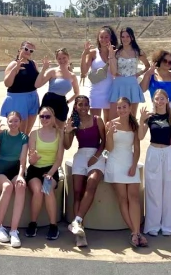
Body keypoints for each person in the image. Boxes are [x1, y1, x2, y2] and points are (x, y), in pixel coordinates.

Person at [140, 49, 171, 182]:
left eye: (170, 62)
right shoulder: (151, 75)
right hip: (157, 108)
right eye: (165, 61)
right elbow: (142, 89)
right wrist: (147, 74)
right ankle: (161, 170)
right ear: (159, 61)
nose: (167, 63)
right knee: (158, 139)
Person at [64, 95, 106, 247]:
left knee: (92, 181)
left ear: (89, 106)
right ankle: (79, 234)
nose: (83, 107)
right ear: (75, 106)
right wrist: (67, 132)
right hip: (80, 155)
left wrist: (97, 156)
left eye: (85, 104)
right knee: (77, 192)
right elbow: (67, 146)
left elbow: (105, 142)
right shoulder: (73, 122)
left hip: (97, 154)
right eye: (80, 104)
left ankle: (77, 220)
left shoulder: (97, 119)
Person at [138, 90, 171, 238]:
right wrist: (141, 120)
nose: (160, 101)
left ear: (167, 100)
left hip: (168, 153)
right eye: (157, 99)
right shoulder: (150, 118)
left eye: (162, 98)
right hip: (153, 153)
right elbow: (140, 136)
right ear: (154, 101)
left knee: (169, 190)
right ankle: (153, 225)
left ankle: (168, 225)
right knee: (153, 189)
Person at [104, 97, 146, 247]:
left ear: (129, 108)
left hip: (129, 162)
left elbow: (137, 148)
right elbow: (108, 149)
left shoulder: (134, 125)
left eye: (124, 107)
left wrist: (134, 165)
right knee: (123, 199)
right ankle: (136, 233)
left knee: (133, 197)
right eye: (119, 107)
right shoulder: (110, 124)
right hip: (115, 163)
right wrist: (109, 134)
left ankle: (136, 233)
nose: (121, 110)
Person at [0, 112, 29, 248]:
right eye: (11, 121)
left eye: (16, 121)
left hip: (15, 169)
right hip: (0, 168)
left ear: (20, 122)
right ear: (7, 121)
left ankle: (13, 230)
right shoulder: (2, 135)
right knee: (7, 186)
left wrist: (21, 175)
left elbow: (23, 161)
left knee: (20, 186)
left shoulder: (24, 138)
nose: (13, 124)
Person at [25, 107, 64, 240]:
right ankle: (33, 223)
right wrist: (33, 158)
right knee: (37, 190)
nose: (44, 119)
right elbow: (30, 160)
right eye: (42, 116)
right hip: (35, 169)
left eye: (47, 116)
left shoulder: (59, 133)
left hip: (51, 169)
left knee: (47, 188)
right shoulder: (34, 134)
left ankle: (53, 226)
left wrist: (50, 174)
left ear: (53, 117)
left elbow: (59, 159)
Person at [108, 27, 150, 118]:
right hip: (118, 84)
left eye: (127, 36)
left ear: (132, 37)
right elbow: (113, 72)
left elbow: (147, 66)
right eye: (123, 37)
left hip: (132, 85)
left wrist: (138, 73)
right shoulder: (116, 53)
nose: (125, 39)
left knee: (132, 117)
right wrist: (111, 56)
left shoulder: (138, 52)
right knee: (113, 117)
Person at [80, 26, 118, 124]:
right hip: (95, 91)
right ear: (98, 38)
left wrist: (111, 55)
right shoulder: (93, 53)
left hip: (110, 91)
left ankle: (106, 140)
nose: (104, 39)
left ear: (111, 38)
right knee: (95, 121)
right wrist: (84, 55)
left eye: (106, 37)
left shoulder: (115, 53)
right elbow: (84, 71)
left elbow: (115, 73)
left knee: (109, 122)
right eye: (101, 37)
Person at [1, 41, 40, 134]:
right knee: (19, 131)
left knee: (27, 132)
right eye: (26, 49)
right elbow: (7, 83)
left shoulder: (33, 64)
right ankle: (17, 148)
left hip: (33, 97)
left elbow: (38, 81)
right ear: (20, 50)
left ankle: (24, 148)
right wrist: (15, 70)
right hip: (18, 99)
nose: (28, 52)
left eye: (31, 51)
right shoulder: (13, 64)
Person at [35, 48, 79, 129]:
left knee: (60, 129)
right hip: (49, 101)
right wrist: (44, 69)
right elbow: (37, 85)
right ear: (56, 60)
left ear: (68, 57)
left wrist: (67, 101)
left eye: (64, 58)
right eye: (59, 58)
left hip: (62, 102)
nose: (62, 60)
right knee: (47, 127)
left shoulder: (72, 75)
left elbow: (76, 93)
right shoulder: (52, 71)